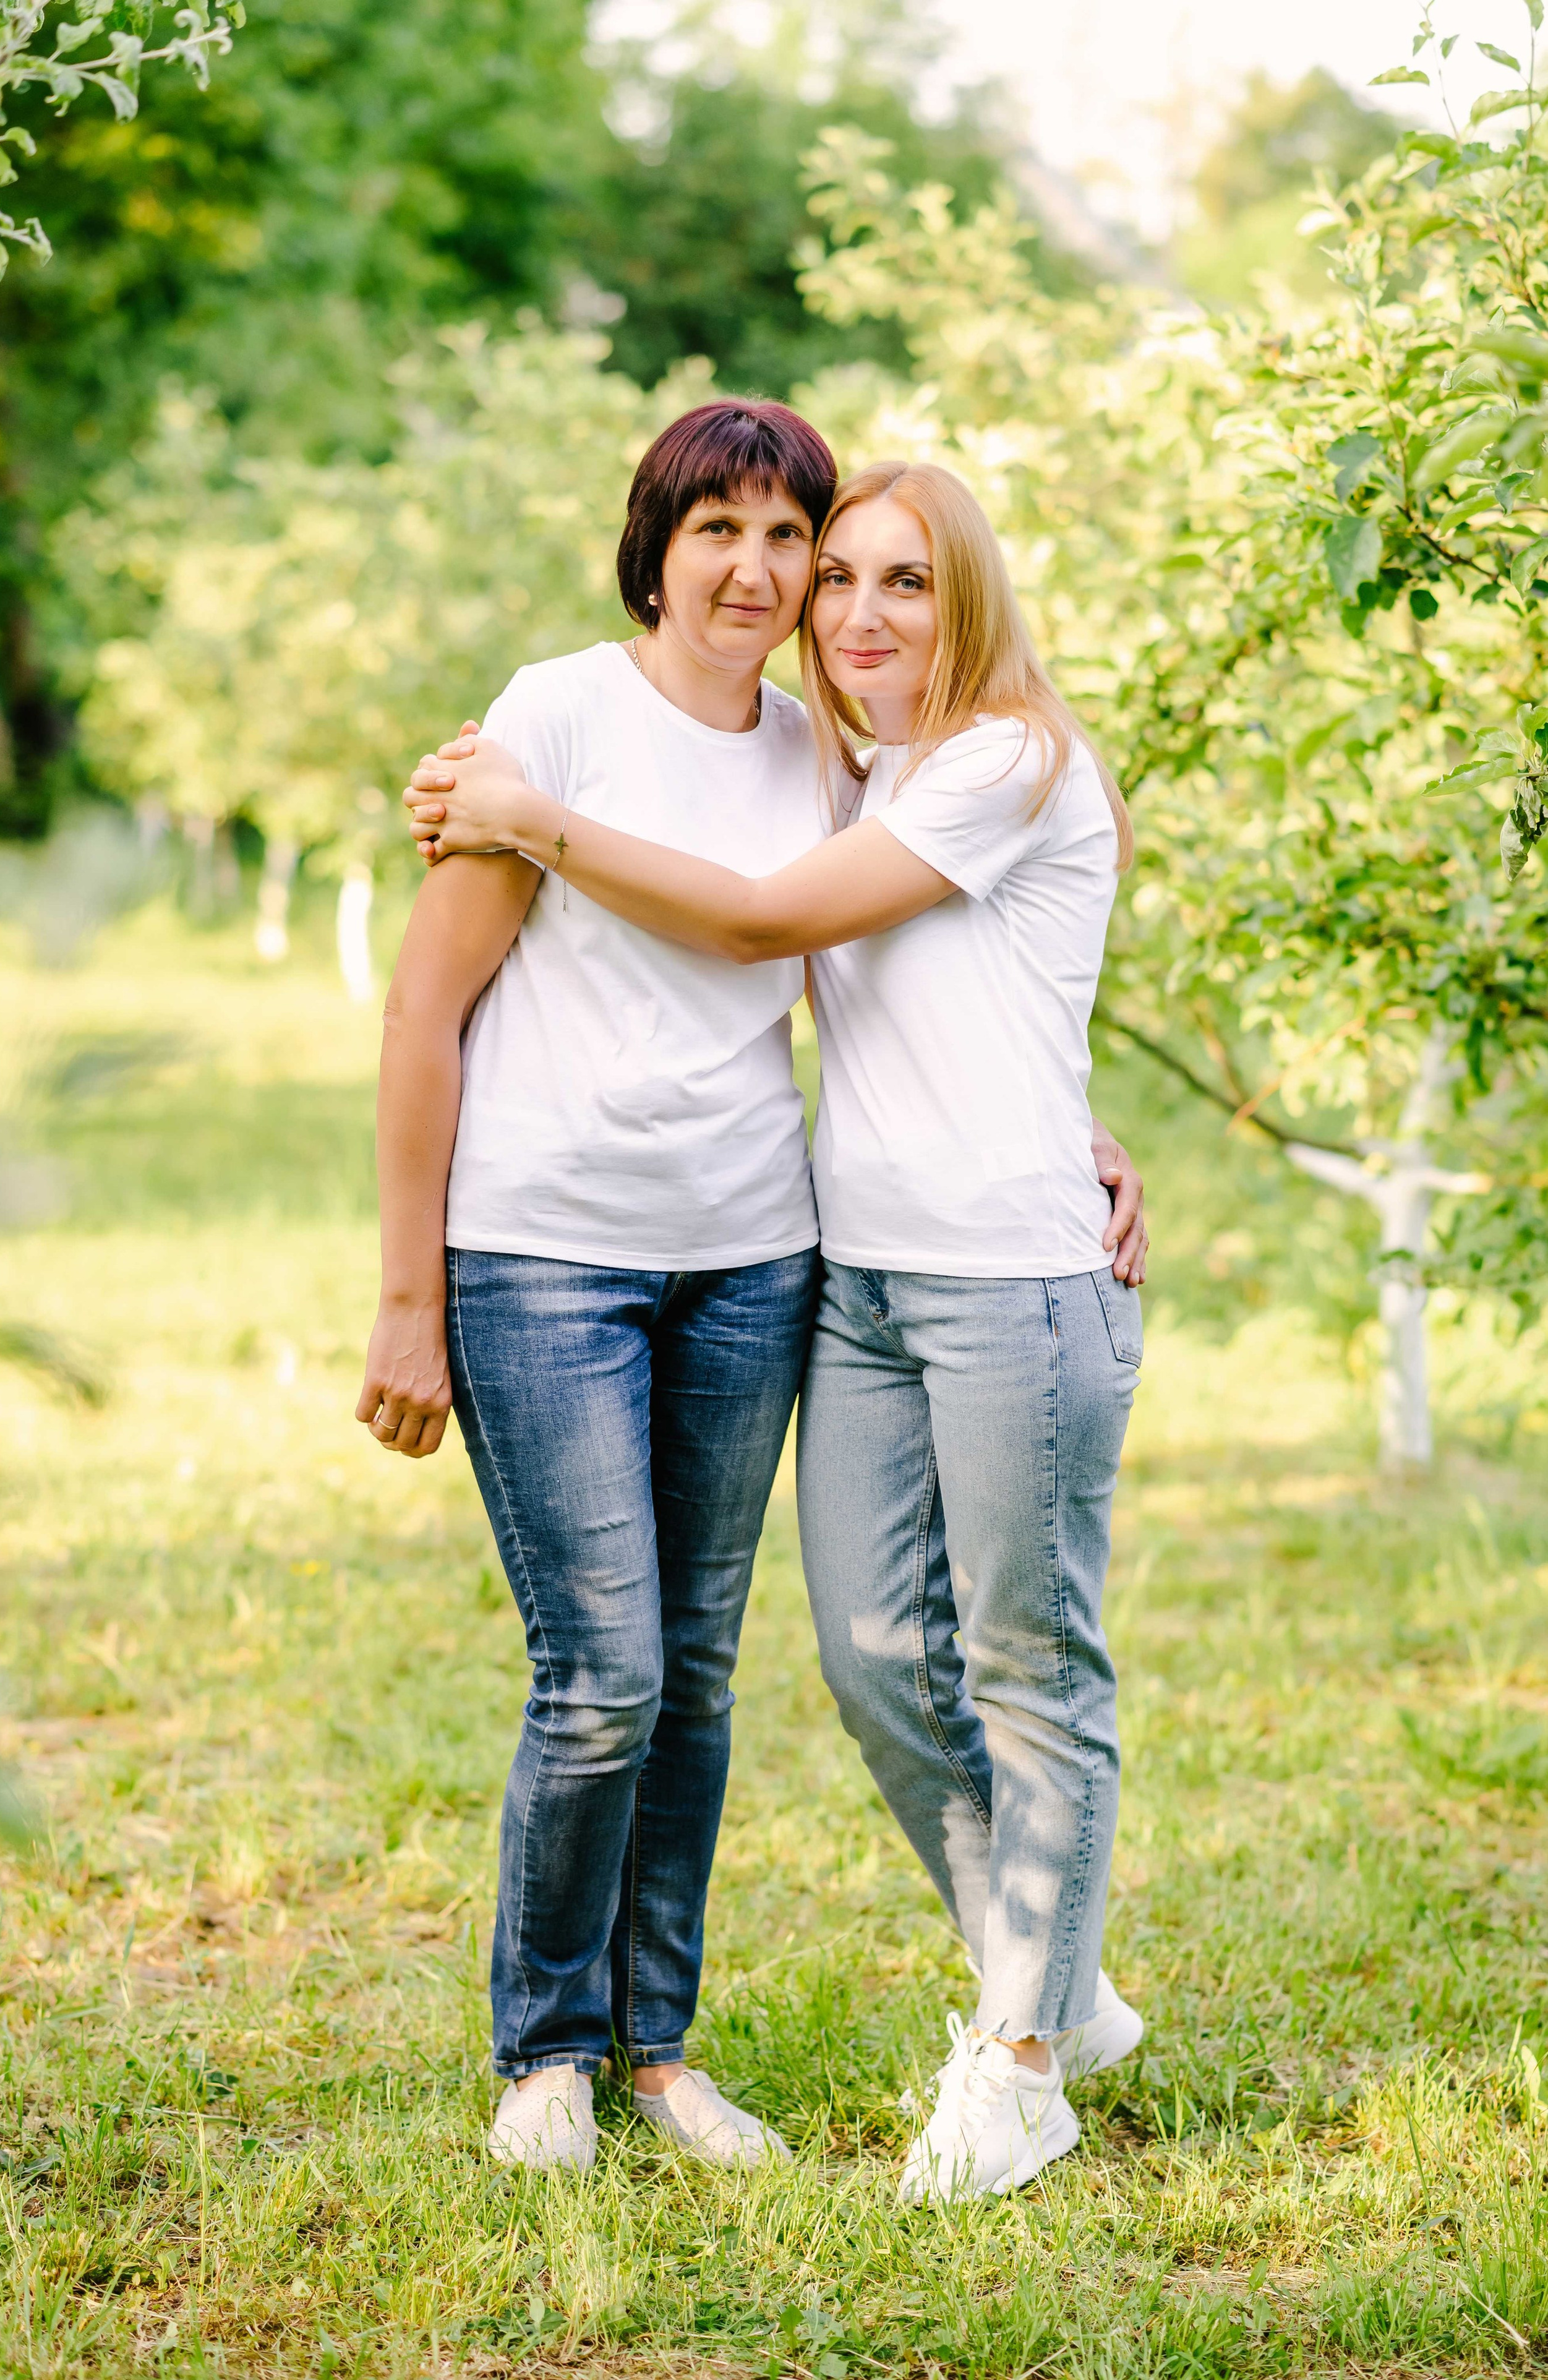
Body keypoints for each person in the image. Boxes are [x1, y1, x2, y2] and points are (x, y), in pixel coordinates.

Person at [403, 458, 1148, 2203]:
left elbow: (767, 927)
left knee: (997, 1669)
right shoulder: (821, 761)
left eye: (897, 579)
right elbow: (953, 997)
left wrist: (533, 814)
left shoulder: (993, 760)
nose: (855, 609)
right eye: (842, 580)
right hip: (812, 1271)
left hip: (924, 1271)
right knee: (838, 1661)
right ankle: (1032, 1982)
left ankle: (1011, 2046)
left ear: (967, 594)